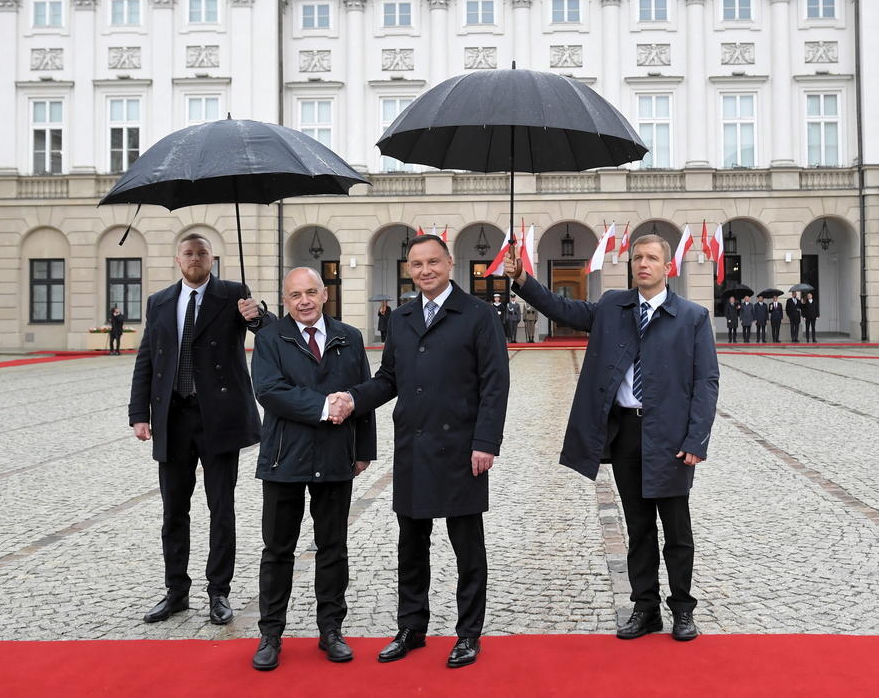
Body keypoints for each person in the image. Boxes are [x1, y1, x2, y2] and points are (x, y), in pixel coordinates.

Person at [506, 235, 718, 642]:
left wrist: (696, 439)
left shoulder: (691, 317)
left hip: (671, 437)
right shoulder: (612, 307)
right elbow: (562, 308)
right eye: (638, 257)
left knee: (676, 530)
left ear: (667, 266)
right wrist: (523, 279)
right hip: (626, 433)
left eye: (652, 258)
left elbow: (706, 382)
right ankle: (645, 608)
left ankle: (683, 609)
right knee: (637, 527)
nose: (643, 264)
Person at [332, 234, 508, 669]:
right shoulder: (402, 317)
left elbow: (495, 384)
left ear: (449, 263)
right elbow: (388, 378)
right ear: (408, 269)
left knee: (467, 548)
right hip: (413, 446)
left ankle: (468, 633)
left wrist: (486, 442)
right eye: (416, 264)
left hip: (463, 448)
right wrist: (354, 398)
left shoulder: (479, 315)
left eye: (432, 262)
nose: (425, 270)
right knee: (412, 546)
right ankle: (412, 626)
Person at [128, 233, 272, 626]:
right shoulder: (159, 302)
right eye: (189, 253)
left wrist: (256, 315)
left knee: (220, 508)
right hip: (173, 418)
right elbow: (147, 358)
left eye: (202, 253)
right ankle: (176, 591)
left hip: (218, 418)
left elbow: (269, 332)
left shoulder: (232, 294)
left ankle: (218, 592)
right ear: (178, 259)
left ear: (212, 258)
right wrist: (139, 412)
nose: (195, 258)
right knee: (174, 510)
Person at [248, 268, 376, 671]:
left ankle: (331, 630)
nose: (303, 301)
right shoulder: (270, 338)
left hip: (337, 456)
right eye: (294, 295)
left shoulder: (349, 337)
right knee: (277, 550)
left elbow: (363, 394)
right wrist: (324, 408)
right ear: (284, 301)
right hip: (285, 457)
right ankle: (270, 634)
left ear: (324, 295)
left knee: (333, 548)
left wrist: (364, 449)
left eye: (310, 292)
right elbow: (269, 391)